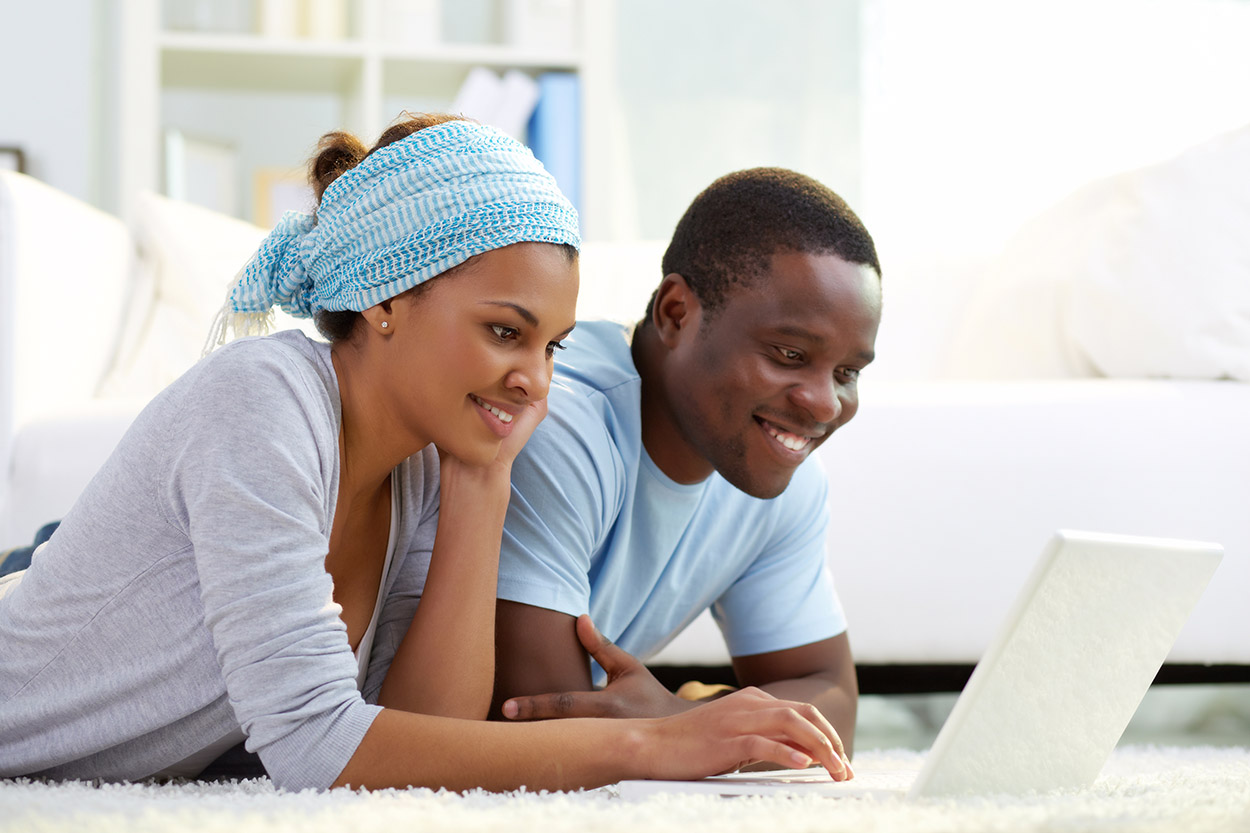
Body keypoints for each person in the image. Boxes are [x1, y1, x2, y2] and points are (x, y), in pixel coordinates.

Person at [0, 118, 851, 792]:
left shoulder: (423, 464)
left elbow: (425, 735)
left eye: (551, 346)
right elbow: (315, 742)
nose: (534, 379)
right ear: (385, 301)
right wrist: (647, 743)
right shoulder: (263, 399)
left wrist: (483, 476)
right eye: (504, 332)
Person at [491, 167, 883, 757]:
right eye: (790, 354)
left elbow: (833, 704)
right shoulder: (557, 422)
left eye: (848, 373)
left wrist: (679, 714)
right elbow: (539, 722)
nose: (826, 403)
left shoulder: (778, 472)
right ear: (677, 312)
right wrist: (704, 724)